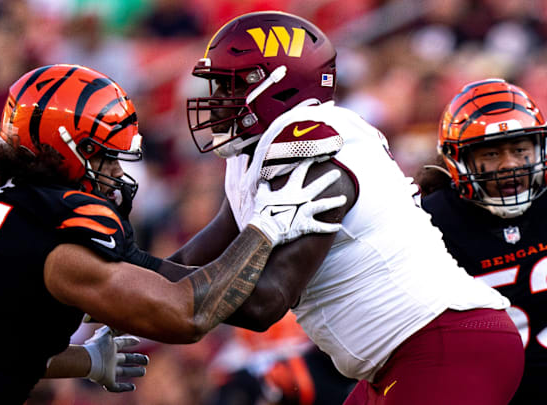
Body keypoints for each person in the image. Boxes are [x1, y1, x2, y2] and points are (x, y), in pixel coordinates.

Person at [0, 63, 346, 405]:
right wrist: (267, 225)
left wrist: (86, 360)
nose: (117, 174)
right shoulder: (55, 231)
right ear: (65, 150)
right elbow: (187, 313)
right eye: (104, 155)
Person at [165, 11, 525, 405]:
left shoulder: (316, 150)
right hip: (403, 357)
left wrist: (145, 293)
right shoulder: (254, 154)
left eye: (228, 86)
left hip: (445, 344)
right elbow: (194, 258)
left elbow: (263, 302)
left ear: (278, 87)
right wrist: (112, 290)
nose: (215, 100)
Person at [418, 78, 547, 405]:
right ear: (457, 161)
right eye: (490, 153)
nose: (509, 166)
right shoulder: (429, 223)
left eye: (520, 149)